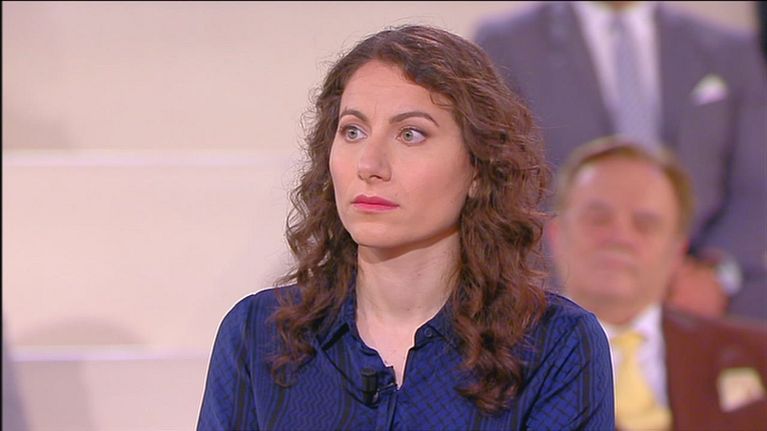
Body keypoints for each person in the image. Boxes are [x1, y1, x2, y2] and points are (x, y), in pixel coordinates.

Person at [197, 25, 614, 430]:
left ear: (479, 168)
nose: (369, 165)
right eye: (353, 131)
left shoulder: (555, 345)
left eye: (410, 134)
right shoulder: (259, 335)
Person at [474, 1, 767, 321]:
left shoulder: (730, 51)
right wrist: (585, 280)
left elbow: (756, 186)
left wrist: (715, 274)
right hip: (554, 291)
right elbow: (497, 185)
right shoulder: (507, 44)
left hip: (699, 297)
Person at [547, 137, 767, 431]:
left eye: (645, 224)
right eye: (598, 219)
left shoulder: (756, 356)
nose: (620, 238)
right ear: (556, 235)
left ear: (677, 252)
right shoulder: (502, 363)